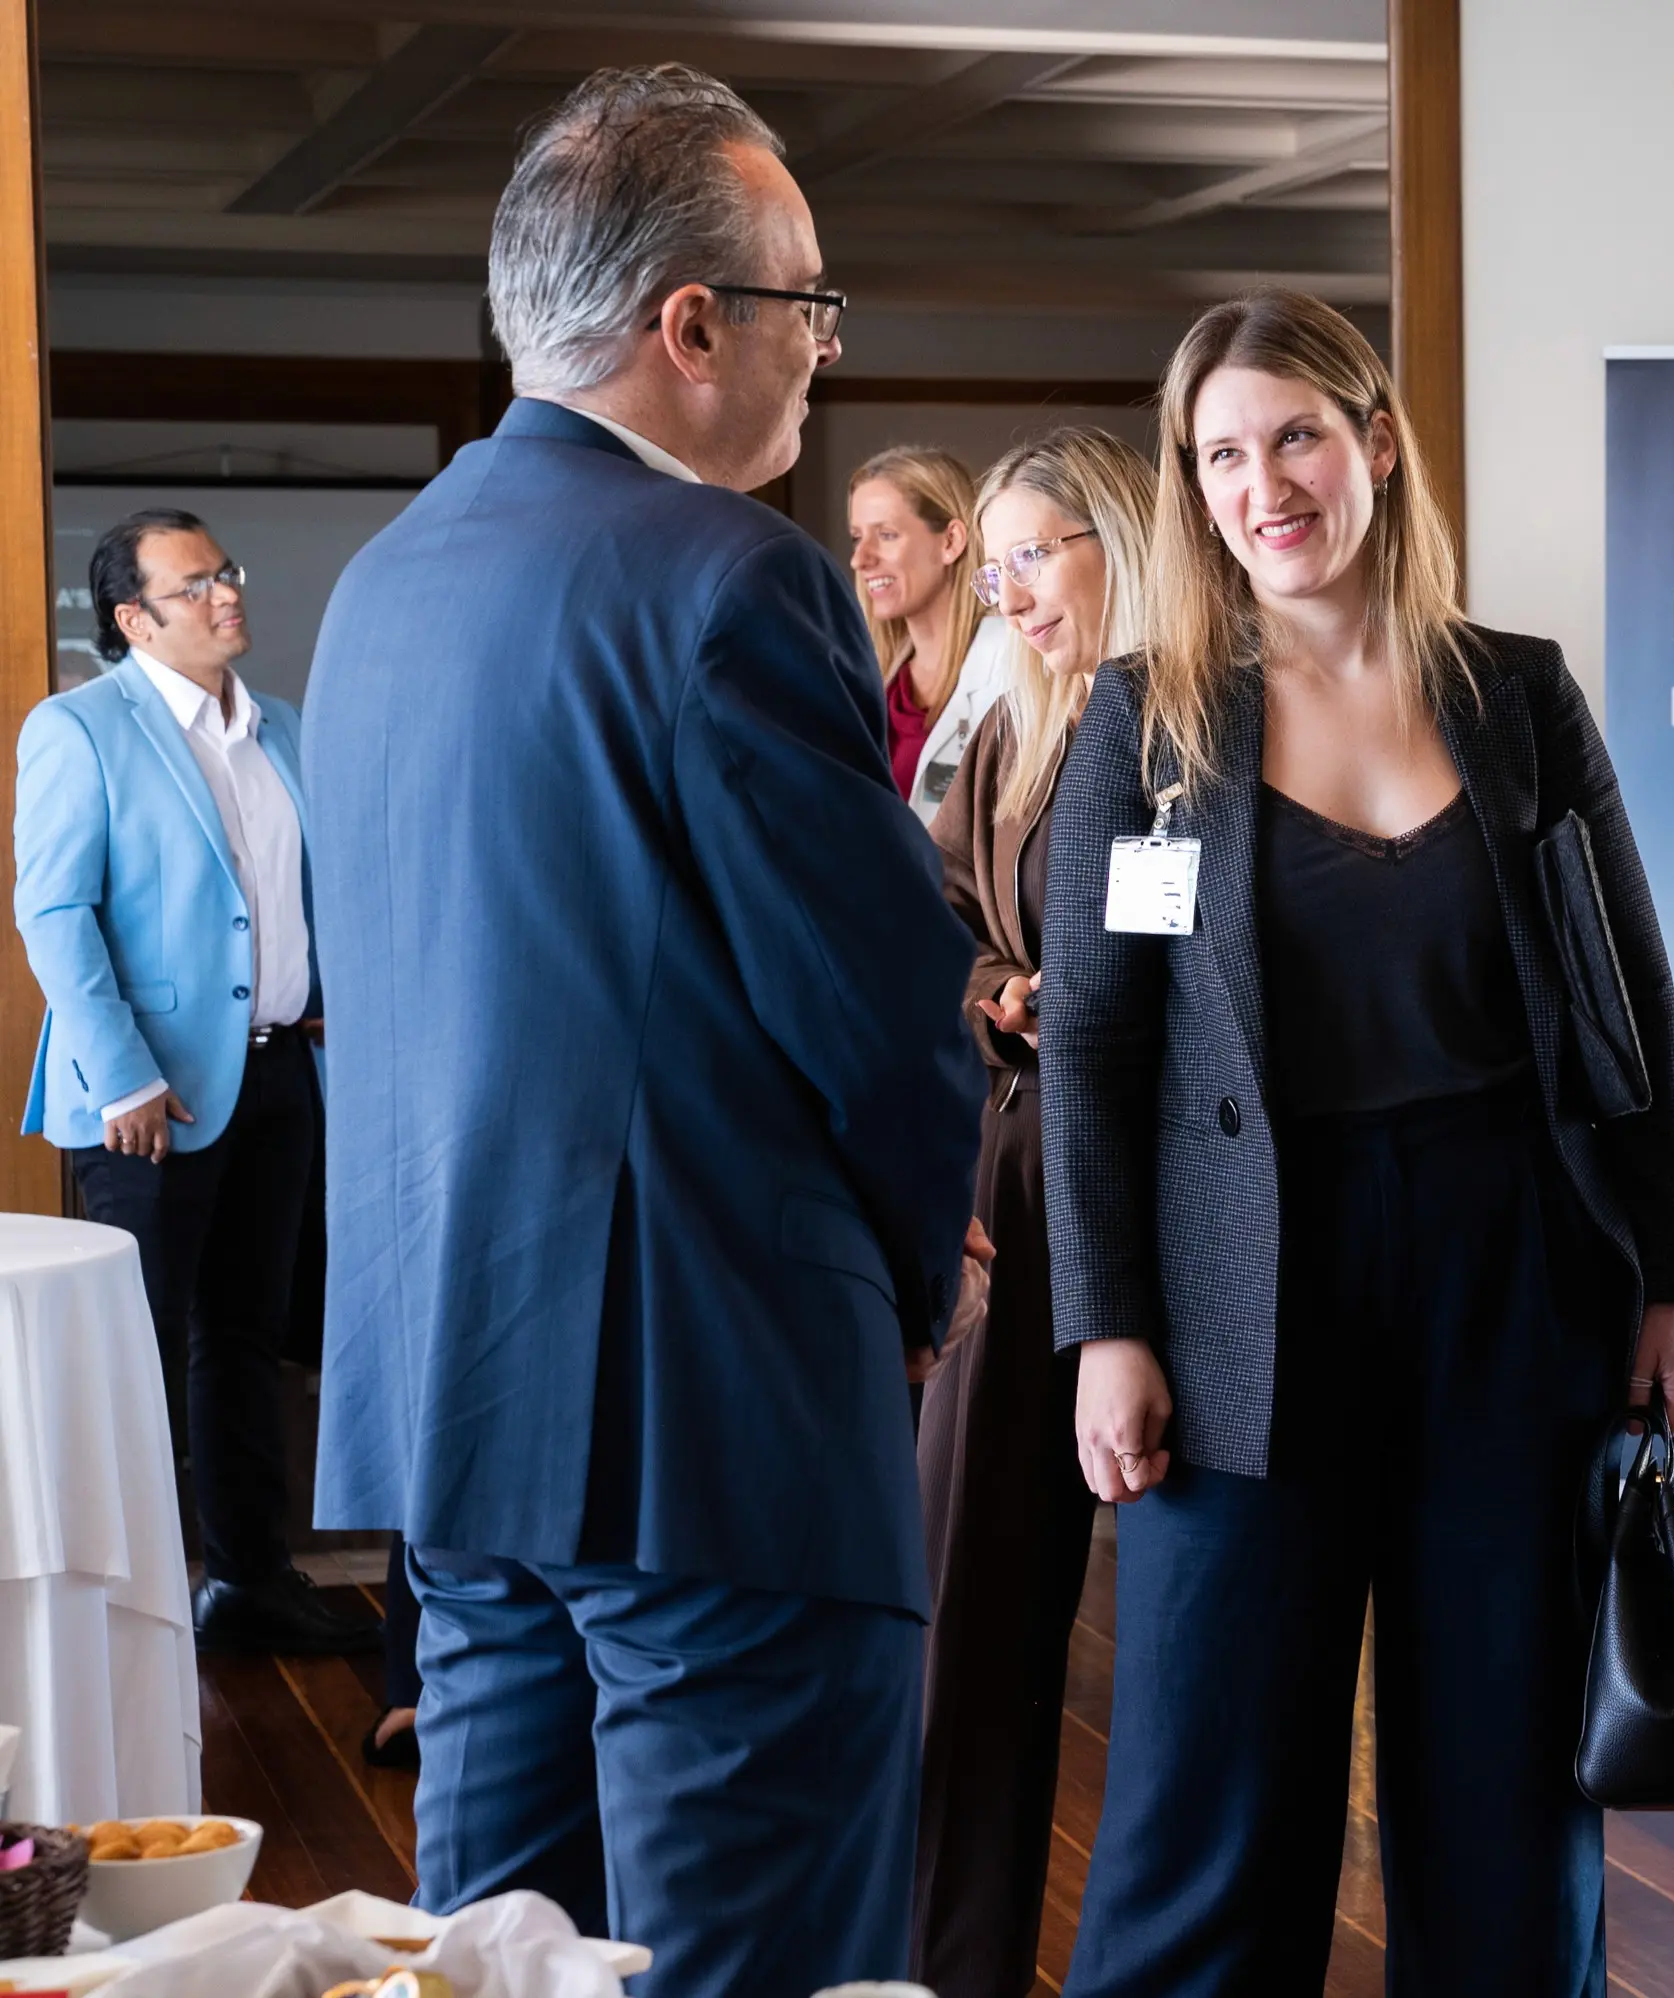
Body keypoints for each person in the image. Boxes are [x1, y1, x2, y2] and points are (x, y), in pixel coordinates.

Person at [302, 65, 981, 1998]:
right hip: (719, 1397)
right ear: (693, 323)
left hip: (455, 1396)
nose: (823, 345)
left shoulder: (379, 588)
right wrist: (911, 1283)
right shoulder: (735, 579)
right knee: (750, 1960)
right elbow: (880, 1013)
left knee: (496, 1958)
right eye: (809, 301)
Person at [1046, 288, 1674, 1996]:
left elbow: (1628, 1003)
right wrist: (1108, 1324)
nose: (1263, 486)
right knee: (1210, 1795)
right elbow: (1098, 1044)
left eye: (1296, 438)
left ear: (1378, 443)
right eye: (1221, 456)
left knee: (1508, 1784)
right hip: (1242, 1293)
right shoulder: (1148, 719)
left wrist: (1667, 1279)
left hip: (1515, 1279)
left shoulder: (1518, 694)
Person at [14, 509, 368, 1658]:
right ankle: (127, 1612)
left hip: (279, 1074)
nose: (227, 594)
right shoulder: (79, 728)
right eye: (196, 583)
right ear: (133, 619)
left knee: (247, 1341)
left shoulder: (283, 728)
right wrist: (122, 1076)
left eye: (227, 572)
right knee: (138, 1355)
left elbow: (299, 895)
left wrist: (324, 995)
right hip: (147, 1099)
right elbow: (54, 912)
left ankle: (251, 1582)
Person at [913, 425, 1156, 1998]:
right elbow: (929, 922)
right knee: (970, 1613)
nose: (1006, 592)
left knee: (1181, 1644)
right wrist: (1002, 986)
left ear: (1117, 542)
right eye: (993, 563)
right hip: (1015, 1189)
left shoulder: (1197, 723)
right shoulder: (1000, 728)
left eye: (1036, 553)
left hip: (1161, 1196)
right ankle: (949, 1967)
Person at [849, 442, 1008, 821]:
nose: (860, 559)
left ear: (950, 541)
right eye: (856, 537)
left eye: (886, 535)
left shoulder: (1011, 661)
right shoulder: (874, 680)